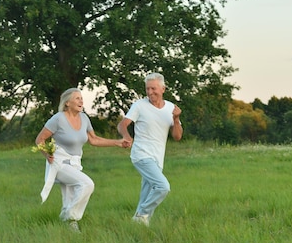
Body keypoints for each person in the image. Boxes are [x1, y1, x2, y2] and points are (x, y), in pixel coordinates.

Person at [35, 88, 129, 232]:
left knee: (69, 198)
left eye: (81, 98)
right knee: (87, 184)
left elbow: (94, 139)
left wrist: (118, 142)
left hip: (75, 164)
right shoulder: (58, 119)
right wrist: (46, 153)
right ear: (67, 103)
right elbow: (40, 139)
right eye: (77, 98)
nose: (81, 101)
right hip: (59, 163)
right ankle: (68, 216)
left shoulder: (84, 118)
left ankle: (70, 226)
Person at [117, 72, 183, 226]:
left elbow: (177, 136)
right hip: (141, 155)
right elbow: (122, 125)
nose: (150, 92)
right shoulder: (139, 105)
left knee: (147, 193)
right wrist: (127, 136)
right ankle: (141, 215)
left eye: (153, 88)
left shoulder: (171, 108)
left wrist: (176, 119)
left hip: (158, 158)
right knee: (162, 187)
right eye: (147, 89)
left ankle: (140, 225)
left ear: (163, 89)